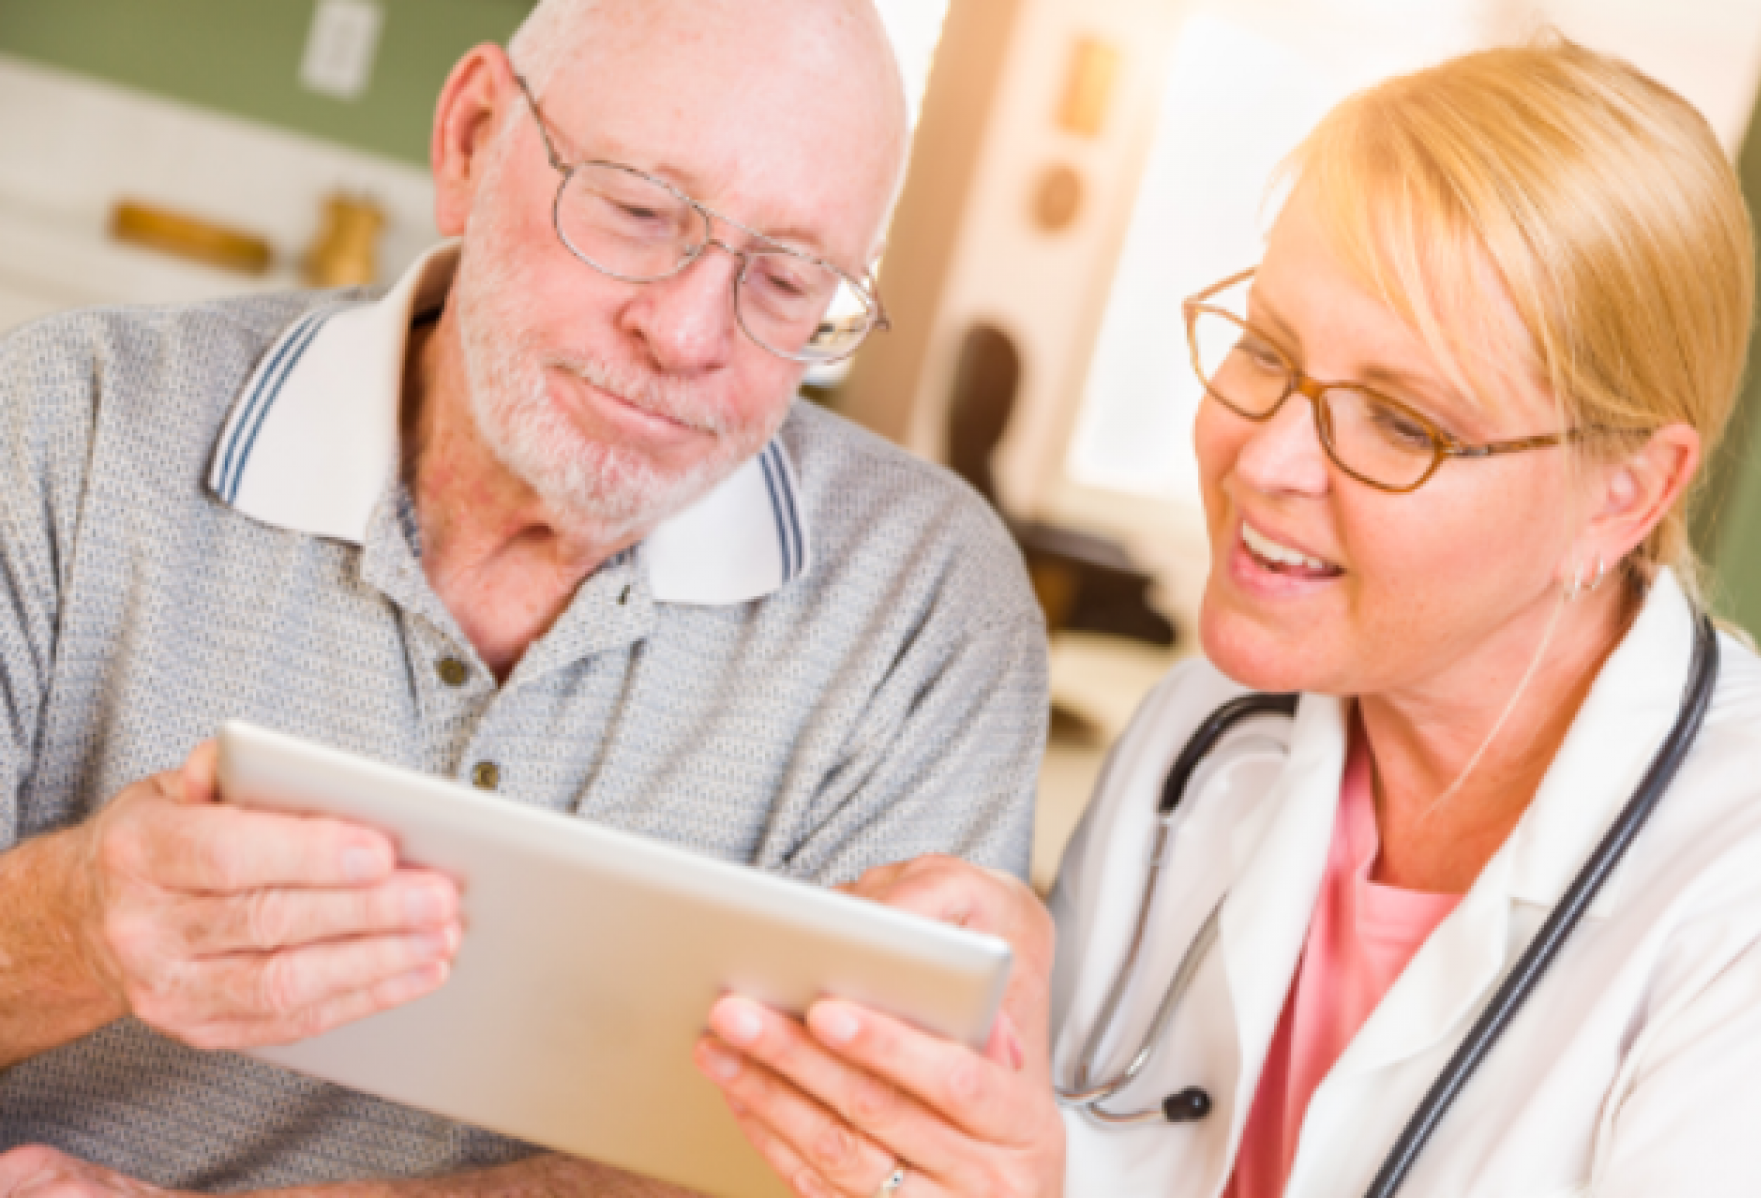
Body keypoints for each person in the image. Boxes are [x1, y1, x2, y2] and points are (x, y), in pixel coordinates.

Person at [694, 37, 1761, 1197]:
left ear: (1623, 494)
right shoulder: (1205, 732)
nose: (1264, 457)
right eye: (1267, 351)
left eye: (1404, 424)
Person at [0, 0, 1047, 1194]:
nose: (689, 334)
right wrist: (70, 923)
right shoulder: (61, 428)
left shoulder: (921, 604)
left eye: (792, 278)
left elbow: (856, 1165)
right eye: (641, 211)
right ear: (471, 138)